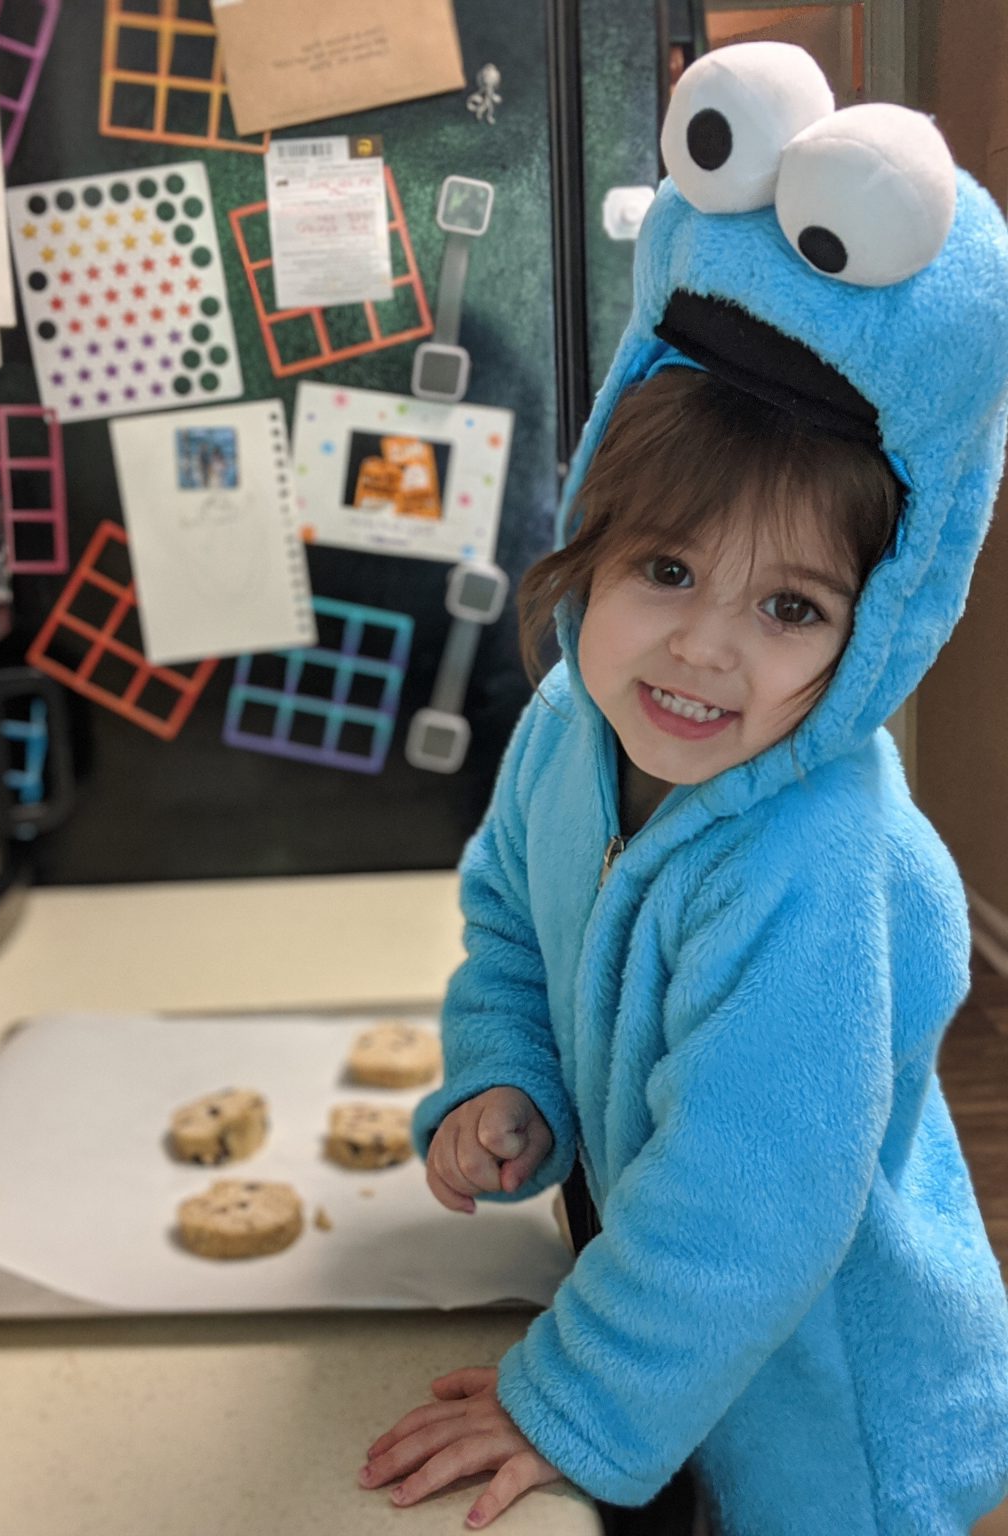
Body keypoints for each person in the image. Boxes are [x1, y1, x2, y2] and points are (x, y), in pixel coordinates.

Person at [357, 41, 1008, 1536]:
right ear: (591, 527)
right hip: (675, 1348)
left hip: (834, 1419)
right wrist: (503, 1072)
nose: (705, 653)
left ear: (875, 625)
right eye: (664, 570)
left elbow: (753, 1200)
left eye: (792, 609)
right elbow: (513, 921)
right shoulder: (566, 737)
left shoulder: (815, 865)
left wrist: (567, 1399)